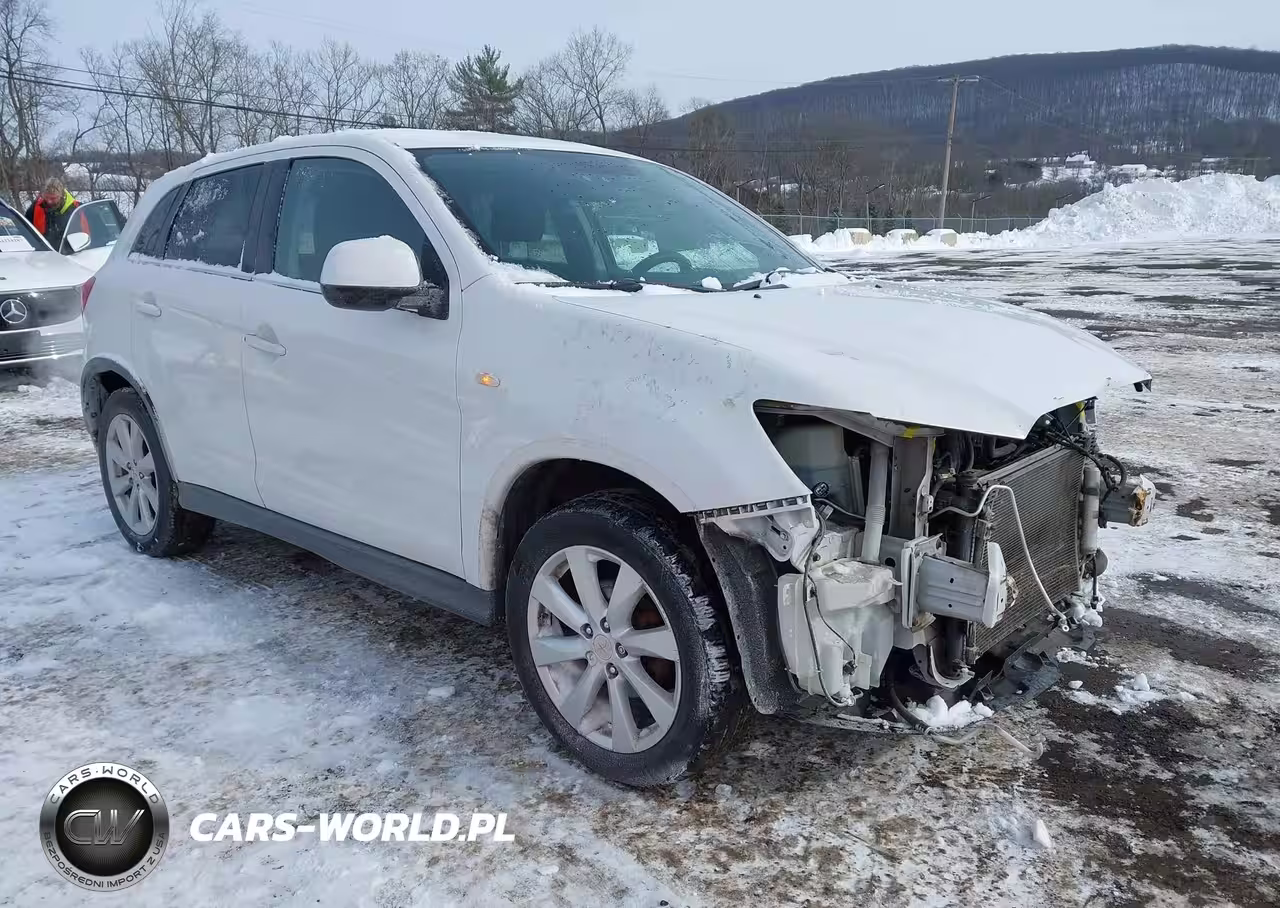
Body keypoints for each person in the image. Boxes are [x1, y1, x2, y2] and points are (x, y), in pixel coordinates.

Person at [24, 178, 84, 251]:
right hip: (43, 254)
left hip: (71, 254)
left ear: (61, 195)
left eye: (53, 198)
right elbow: (25, 230)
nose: (49, 201)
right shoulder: (34, 208)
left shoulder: (77, 209)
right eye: (46, 197)